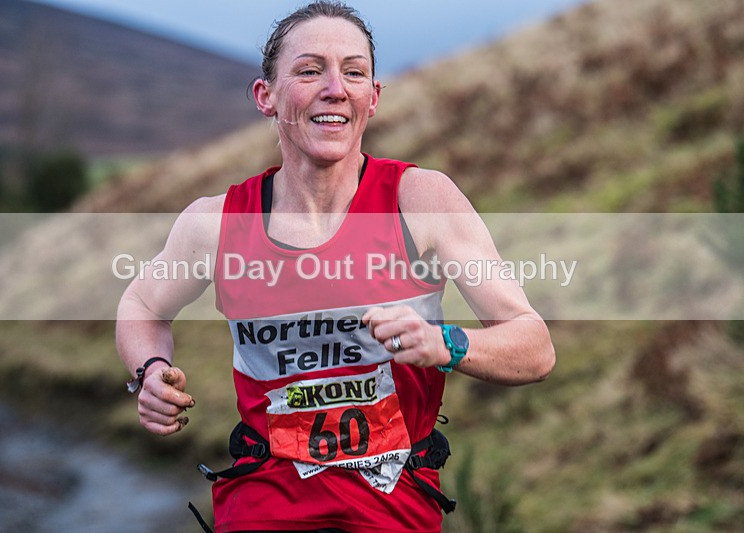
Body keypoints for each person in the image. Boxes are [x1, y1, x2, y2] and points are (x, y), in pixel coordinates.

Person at [116, 2, 555, 532]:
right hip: (264, 506)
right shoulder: (218, 222)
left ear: (373, 98)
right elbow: (142, 304)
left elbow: (533, 346)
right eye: (308, 70)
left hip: (394, 509)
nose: (334, 88)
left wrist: (446, 344)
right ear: (266, 96)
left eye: (353, 71)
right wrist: (149, 373)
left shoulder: (420, 200)